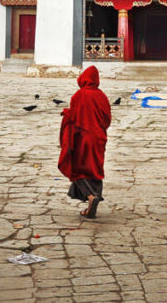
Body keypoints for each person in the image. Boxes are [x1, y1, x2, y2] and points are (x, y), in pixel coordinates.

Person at [58, 65, 111, 218]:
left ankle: (90, 196)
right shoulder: (102, 96)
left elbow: (73, 117)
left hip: (82, 138)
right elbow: (107, 119)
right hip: (99, 138)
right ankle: (90, 208)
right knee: (96, 169)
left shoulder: (79, 95)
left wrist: (66, 114)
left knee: (77, 169)